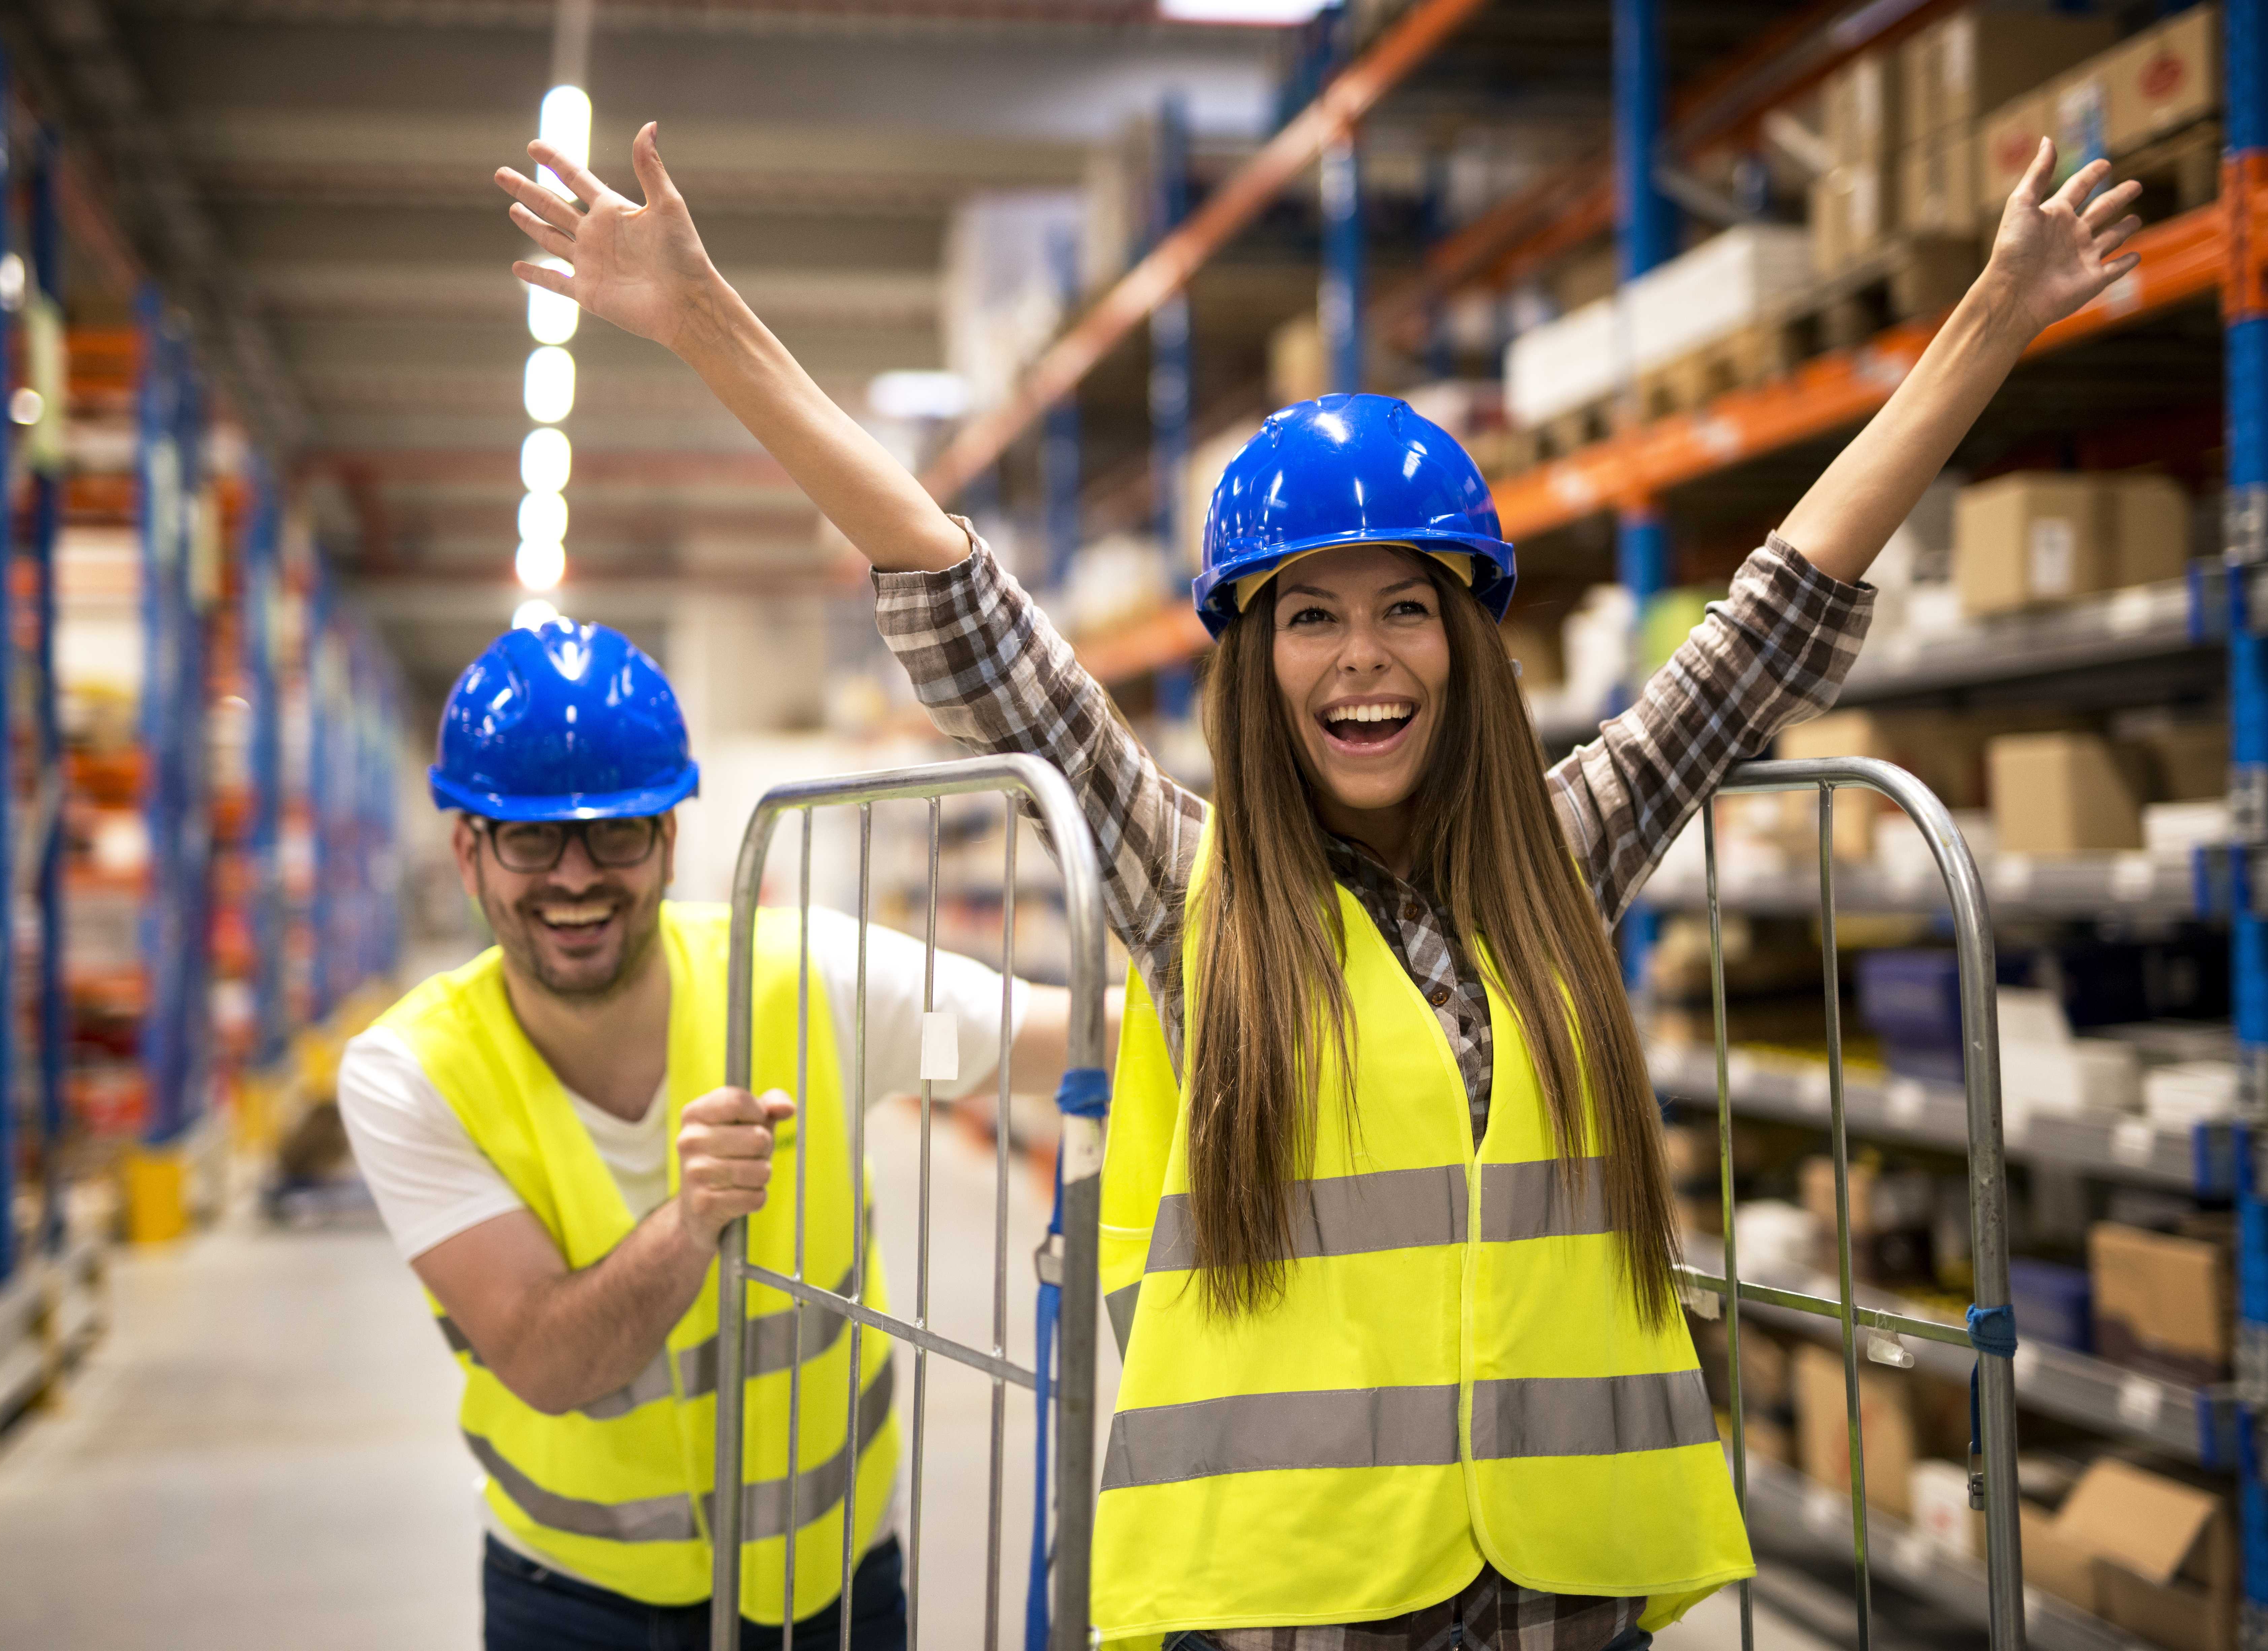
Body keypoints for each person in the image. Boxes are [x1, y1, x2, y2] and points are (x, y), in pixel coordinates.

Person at [494, 123, 2142, 1648]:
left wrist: (1991, 316)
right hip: (1299, 1591)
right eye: (1308, 617)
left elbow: (1776, 613)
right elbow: (961, 604)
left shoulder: (1560, 857)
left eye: (1405, 609)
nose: (1362, 659)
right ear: (1255, 660)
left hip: (1564, 1577)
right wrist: (707, 321)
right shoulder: (1187, 886)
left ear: (1467, 642)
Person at [337, 619, 1081, 1651]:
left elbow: (1066, 1036)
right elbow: (548, 1363)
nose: (576, 876)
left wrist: (1294, 981)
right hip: (572, 1601)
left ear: (670, 841)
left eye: (617, 833)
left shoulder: (807, 981)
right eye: (530, 838)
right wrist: (689, 1226)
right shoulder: (409, 1073)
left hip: (828, 1587)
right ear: (469, 853)